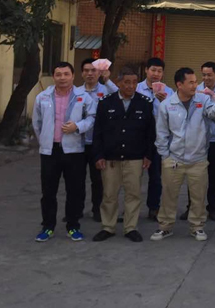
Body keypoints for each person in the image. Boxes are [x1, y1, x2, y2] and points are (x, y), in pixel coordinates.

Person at [150, 68, 215, 242]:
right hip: (174, 160)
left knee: (198, 196)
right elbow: (161, 133)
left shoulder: (203, 99)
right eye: (191, 82)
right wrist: (165, 157)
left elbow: (212, 112)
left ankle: (197, 227)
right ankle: (165, 227)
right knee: (169, 195)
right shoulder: (166, 105)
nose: (195, 85)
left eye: (195, 82)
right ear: (179, 84)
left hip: (198, 159)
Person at [32, 62, 96, 242]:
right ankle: (48, 226)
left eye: (66, 74)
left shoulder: (83, 97)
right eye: (58, 74)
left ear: (73, 76)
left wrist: (78, 126)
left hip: (74, 151)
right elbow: (36, 123)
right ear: (53, 76)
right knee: (48, 191)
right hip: (50, 152)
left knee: (74, 190)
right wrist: (45, 141)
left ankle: (73, 226)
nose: (62, 78)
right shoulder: (43, 97)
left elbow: (92, 117)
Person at [91, 67, 156, 242]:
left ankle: (130, 227)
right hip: (111, 157)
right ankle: (108, 227)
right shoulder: (106, 103)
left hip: (135, 157)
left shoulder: (145, 103)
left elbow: (150, 133)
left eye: (134, 82)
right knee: (109, 194)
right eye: (127, 82)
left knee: (133, 194)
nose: (130, 86)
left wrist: (148, 155)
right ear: (119, 83)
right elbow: (98, 132)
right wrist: (98, 155)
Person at [180, 61, 215, 222]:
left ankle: (212, 207)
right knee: (194, 176)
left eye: (209, 75)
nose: (206, 78)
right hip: (198, 140)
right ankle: (192, 207)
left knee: (214, 176)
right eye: (203, 75)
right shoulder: (195, 91)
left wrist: (214, 109)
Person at [78, 58, 118, 222]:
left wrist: (107, 80)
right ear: (81, 73)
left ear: (99, 72)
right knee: (77, 179)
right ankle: (76, 210)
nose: (89, 73)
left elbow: (120, 95)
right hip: (79, 143)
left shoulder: (106, 90)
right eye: (86, 70)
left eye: (93, 70)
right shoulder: (76, 92)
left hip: (99, 143)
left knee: (98, 179)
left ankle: (97, 210)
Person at [136, 57, 174, 221]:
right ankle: (131, 209)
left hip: (159, 139)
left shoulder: (169, 92)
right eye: (153, 70)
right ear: (146, 70)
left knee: (156, 176)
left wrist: (165, 102)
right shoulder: (136, 88)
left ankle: (154, 207)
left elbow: (175, 114)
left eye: (159, 71)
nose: (156, 74)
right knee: (133, 176)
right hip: (138, 138)